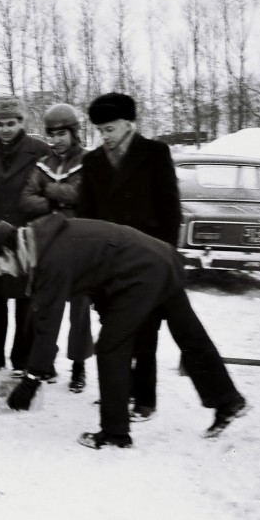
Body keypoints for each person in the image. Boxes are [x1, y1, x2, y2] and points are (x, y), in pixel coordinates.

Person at [0, 216, 247, 449]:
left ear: (8, 252)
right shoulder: (41, 239)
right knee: (188, 332)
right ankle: (228, 399)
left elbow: (47, 325)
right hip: (160, 257)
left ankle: (115, 432)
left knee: (110, 347)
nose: (3, 273)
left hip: (142, 272)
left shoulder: (48, 258)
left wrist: (31, 381)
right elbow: (98, 268)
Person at [78, 92, 182, 421]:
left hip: (148, 258)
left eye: (109, 129)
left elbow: (170, 210)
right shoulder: (93, 162)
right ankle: (117, 392)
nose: (104, 137)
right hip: (108, 264)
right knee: (113, 328)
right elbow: (86, 216)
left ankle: (145, 398)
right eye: (100, 131)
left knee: (146, 329)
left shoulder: (154, 154)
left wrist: (165, 258)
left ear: (128, 124)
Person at [0, 95, 49, 379]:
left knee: (25, 304)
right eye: (1, 124)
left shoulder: (39, 150)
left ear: (22, 122)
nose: (6, 129)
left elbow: (45, 191)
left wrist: (39, 232)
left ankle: (22, 361)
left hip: (26, 237)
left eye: (12, 123)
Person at [20, 103, 94, 393]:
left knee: (80, 308)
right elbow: (25, 200)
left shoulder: (88, 161)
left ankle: (78, 366)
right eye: (51, 134)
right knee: (45, 306)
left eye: (62, 133)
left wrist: (48, 192)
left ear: (73, 132)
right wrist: (58, 202)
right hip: (48, 244)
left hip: (80, 243)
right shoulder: (43, 164)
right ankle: (44, 361)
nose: (56, 140)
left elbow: (83, 194)